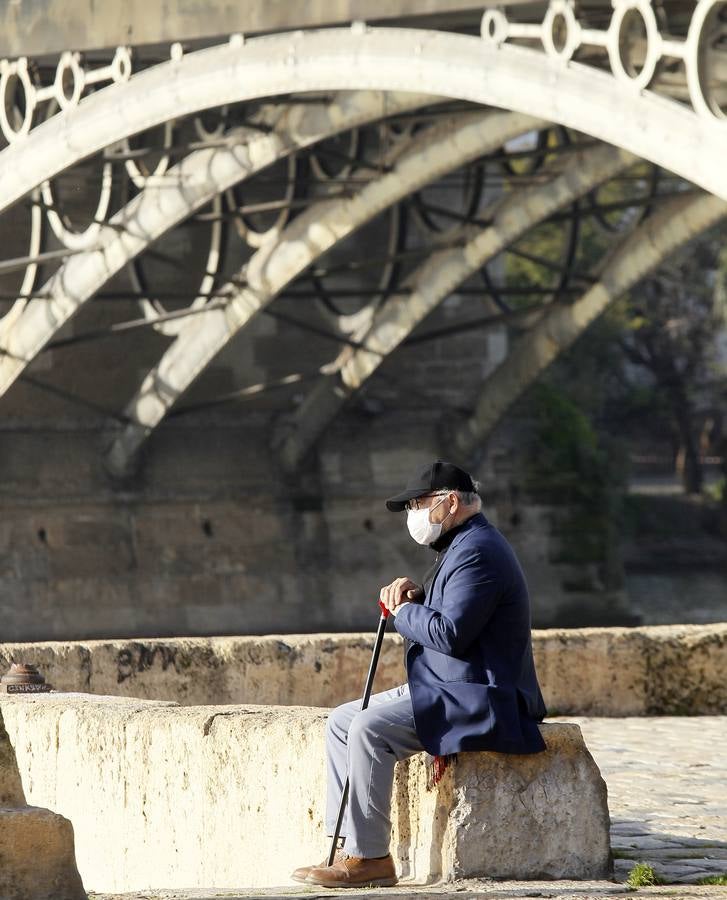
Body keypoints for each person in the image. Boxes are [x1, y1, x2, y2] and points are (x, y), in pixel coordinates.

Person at [292, 459, 547, 888]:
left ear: (449, 503)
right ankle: (345, 844)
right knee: (341, 721)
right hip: (447, 685)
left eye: (418, 503)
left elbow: (450, 633)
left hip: (482, 695)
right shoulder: (463, 545)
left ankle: (369, 859)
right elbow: (451, 612)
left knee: (369, 727)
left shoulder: (480, 551)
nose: (413, 513)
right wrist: (418, 594)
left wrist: (403, 610)